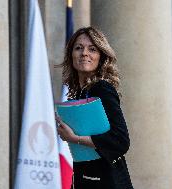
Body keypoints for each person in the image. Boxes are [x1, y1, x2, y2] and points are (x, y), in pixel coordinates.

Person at [55, 26, 134, 189]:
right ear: (71, 55)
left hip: (108, 182)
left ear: (101, 57)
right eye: (78, 48)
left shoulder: (102, 88)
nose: (84, 53)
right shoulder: (79, 92)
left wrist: (74, 138)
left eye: (92, 49)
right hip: (86, 179)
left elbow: (120, 141)